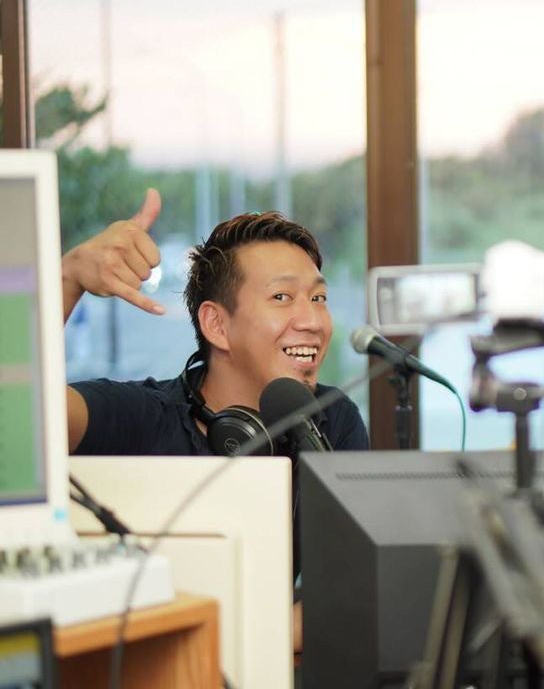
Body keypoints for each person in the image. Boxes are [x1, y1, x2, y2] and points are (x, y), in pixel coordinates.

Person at [60, 188, 370, 655]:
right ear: (217, 325)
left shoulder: (330, 418)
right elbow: (18, 417)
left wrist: (225, 647)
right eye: (282, 296)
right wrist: (66, 279)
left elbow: (350, 588)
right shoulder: (139, 415)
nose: (313, 320)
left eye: (319, 297)